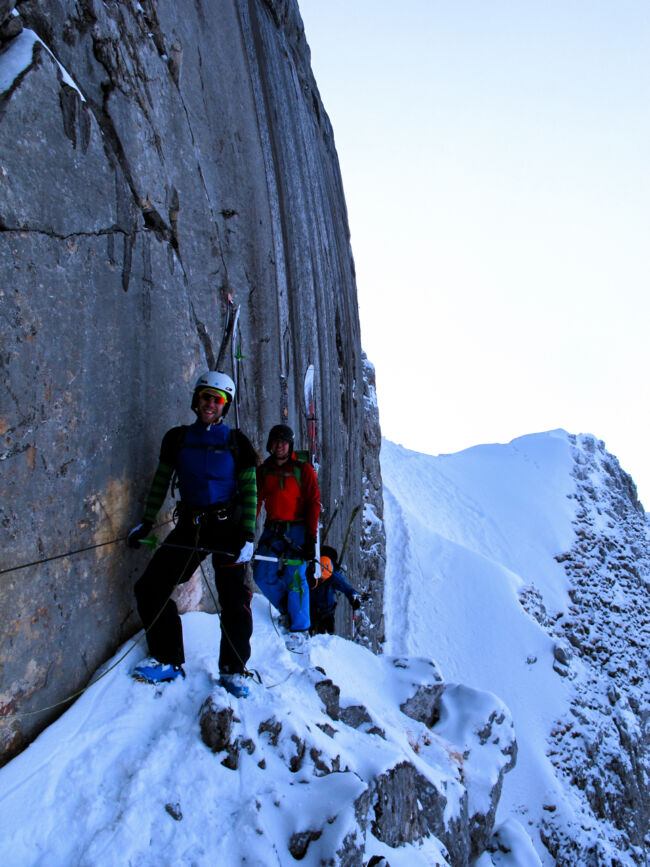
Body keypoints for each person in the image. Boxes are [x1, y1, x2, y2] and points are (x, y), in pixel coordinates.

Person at [127, 371, 258, 697]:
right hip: (192, 525)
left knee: (234, 600)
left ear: (224, 405)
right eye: (205, 397)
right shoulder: (177, 438)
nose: (209, 403)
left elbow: (250, 489)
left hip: (227, 528)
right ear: (196, 399)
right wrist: (145, 522)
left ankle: (234, 670)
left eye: (217, 399)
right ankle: (168, 659)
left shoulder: (236, 442)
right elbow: (161, 481)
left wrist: (247, 536)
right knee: (150, 587)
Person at [254, 424, 320, 651]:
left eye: (284, 441)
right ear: (270, 444)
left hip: (298, 529)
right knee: (261, 573)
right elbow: (257, 500)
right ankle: (288, 612)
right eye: (276, 441)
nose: (280, 445)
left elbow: (313, 503)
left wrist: (311, 538)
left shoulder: (303, 470)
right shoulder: (263, 471)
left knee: (296, 576)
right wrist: (245, 529)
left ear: (290, 445)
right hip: (273, 529)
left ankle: (301, 629)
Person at [310, 544, 361, 635]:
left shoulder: (333, 576)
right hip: (313, 612)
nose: (323, 579)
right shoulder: (311, 573)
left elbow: (346, 588)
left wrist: (353, 598)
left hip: (326, 614)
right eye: (321, 578)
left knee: (327, 637)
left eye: (324, 578)